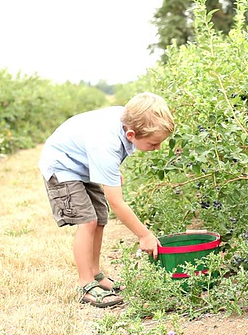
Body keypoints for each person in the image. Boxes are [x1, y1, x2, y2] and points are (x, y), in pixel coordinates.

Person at [38, 92, 175, 308]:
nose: (157, 148)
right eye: (154, 143)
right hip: (62, 166)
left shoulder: (128, 121)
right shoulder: (105, 144)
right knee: (88, 221)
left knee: (100, 217)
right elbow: (117, 203)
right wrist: (144, 235)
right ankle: (85, 284)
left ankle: (95, 274)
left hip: (84, 165)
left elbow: (105, 158)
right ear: (131, 134)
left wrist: (108, 170)